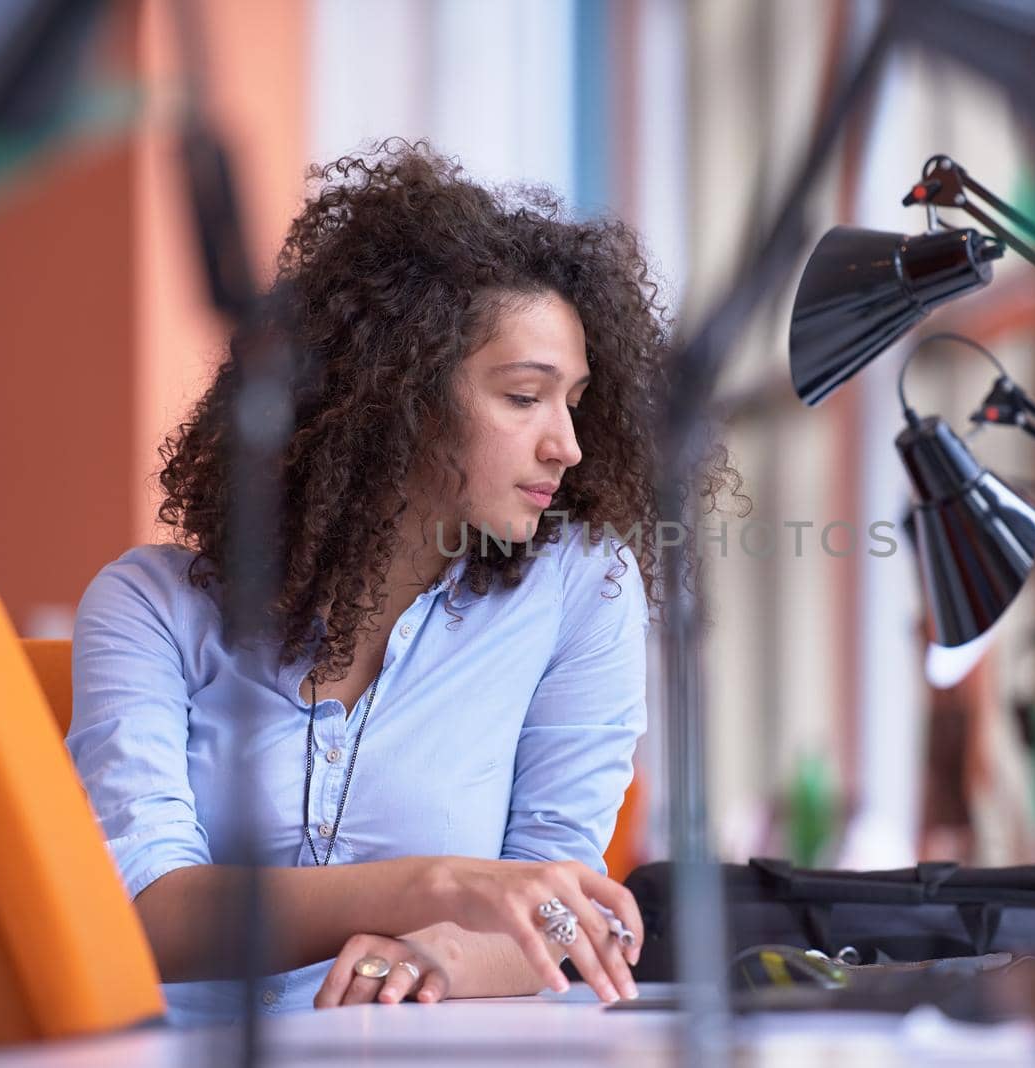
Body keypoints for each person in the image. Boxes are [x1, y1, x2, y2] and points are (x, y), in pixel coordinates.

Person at [66, 141, 734, 1025]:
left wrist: (446, 952)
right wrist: (432, 887)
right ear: (398, 395)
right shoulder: (149, 605)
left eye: (575, 400)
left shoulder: (582, 589)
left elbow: (555, 894)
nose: (567, 445)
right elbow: (144, 912)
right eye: (525, 397)